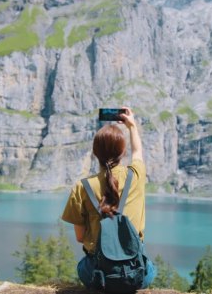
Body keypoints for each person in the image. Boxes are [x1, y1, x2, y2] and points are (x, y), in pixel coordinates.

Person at [61, 107, 156, 290]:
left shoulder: (82, 187)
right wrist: (132, 126)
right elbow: (138, 153)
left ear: (95, 153)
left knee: (82, 266)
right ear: (122, 152)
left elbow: (80, 238)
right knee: (151, 269)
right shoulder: (135, 176)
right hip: (135, 274)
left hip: (99, 276)